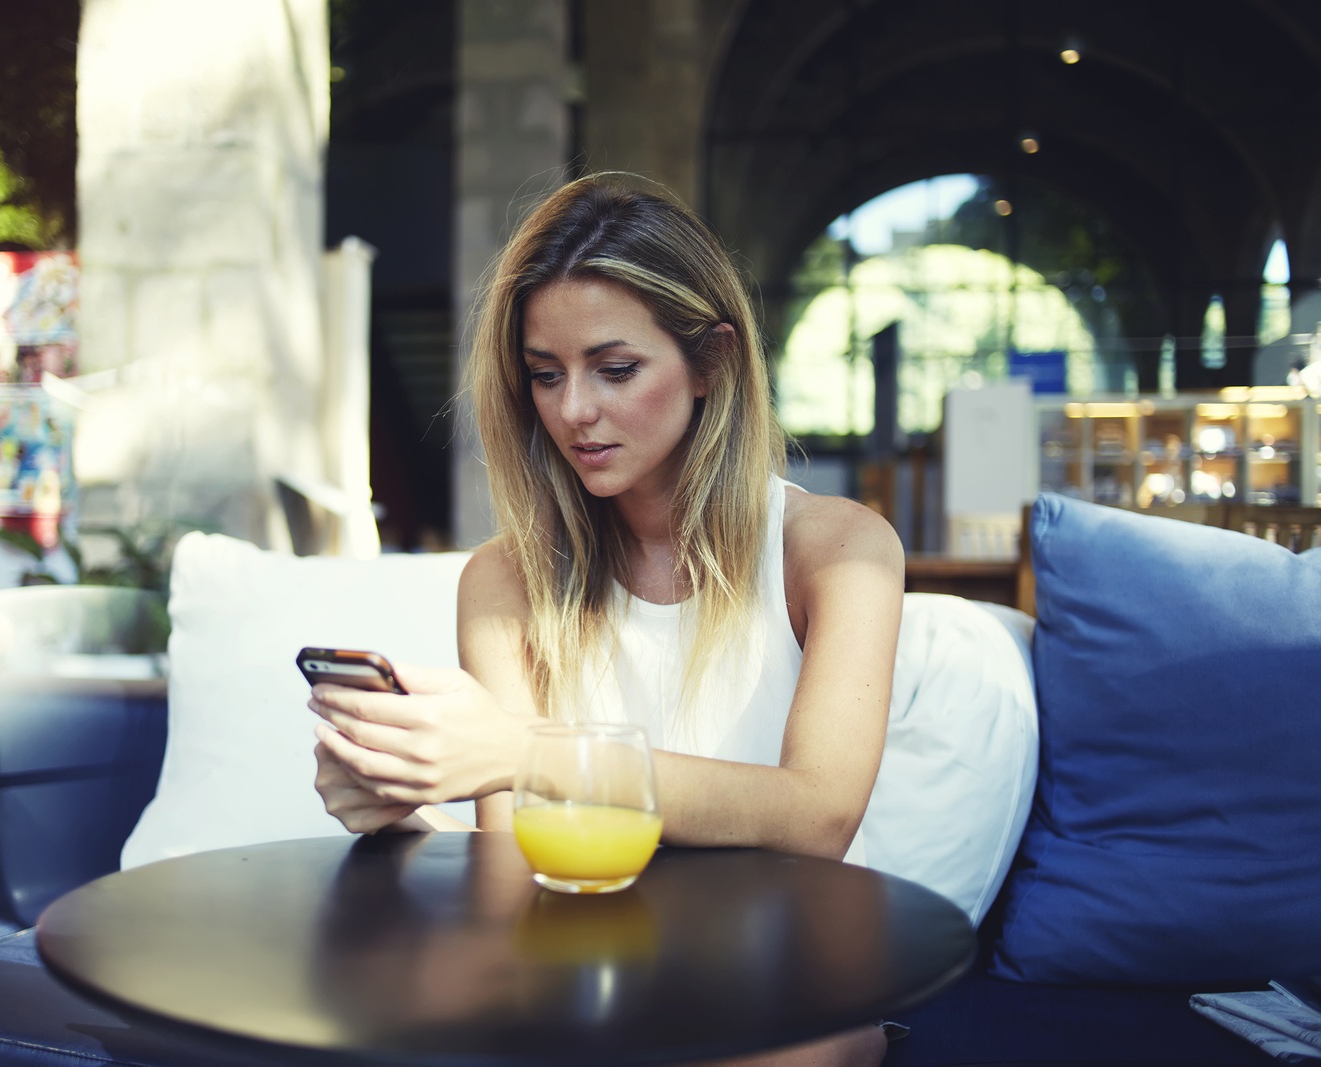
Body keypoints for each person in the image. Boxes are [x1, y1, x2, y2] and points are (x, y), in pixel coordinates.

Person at [309, 173, 907, 1067]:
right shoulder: (505, 579)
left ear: (712, 362)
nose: (573, 410)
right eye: (545, 376)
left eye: (615, 369)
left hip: (785, 983)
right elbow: (517, 868)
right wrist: (399, 800)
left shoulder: (839, 551)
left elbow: (816, 814)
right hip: (582, 978)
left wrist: (528, 752)